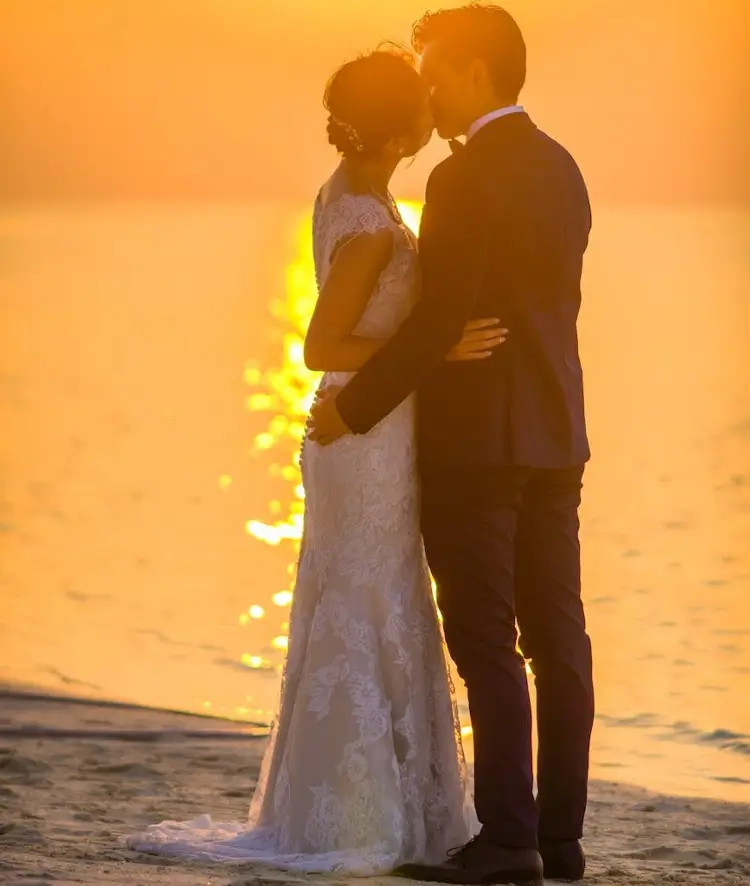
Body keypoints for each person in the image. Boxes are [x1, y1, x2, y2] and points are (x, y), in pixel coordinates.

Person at [125, 46, 508, 876]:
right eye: (422, 102)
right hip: (362, 437)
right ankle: (359, 814)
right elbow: (319, 344)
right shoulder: (369, 223)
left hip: (367, 432)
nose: (432, 111)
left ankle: (377, 804)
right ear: (400, 124)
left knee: (372, 597)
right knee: (371, 599)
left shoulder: (354, 196)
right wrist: (434, 350)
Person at [309, 5, 595, 884]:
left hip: (478, 443)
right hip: (557, 432)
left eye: (434, 69)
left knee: (485, 638)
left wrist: (354, 413)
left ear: (475, 69)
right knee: (559, 637)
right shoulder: (563, 165)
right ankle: (560, 836)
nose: (426, 87)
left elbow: (442, 316)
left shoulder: (461, 181)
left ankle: (507, 840)